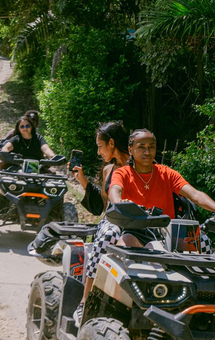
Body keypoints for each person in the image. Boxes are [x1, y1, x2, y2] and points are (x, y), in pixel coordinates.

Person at [74, 128, 215, 325]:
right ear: (130, 149)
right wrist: (121, 204)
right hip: (132, 225)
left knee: (200, 238)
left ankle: (209, 303)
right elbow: (115, 191)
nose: (147, 152)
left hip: (163, 230)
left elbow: (194, 194)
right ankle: (85, 300)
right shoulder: (122, 172)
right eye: (141, 147)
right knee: (107, 238)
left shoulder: (167, 173)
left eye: (151, 147)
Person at [69, 122, 129, 320]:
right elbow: (103, 206)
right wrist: (83, 182)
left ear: (111, 143)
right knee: (107, 236)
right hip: (112, 222)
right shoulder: (108, 170)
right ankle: (85, 301)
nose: (97, 152)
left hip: (136, 222)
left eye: (99, 146)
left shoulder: (137, 166)